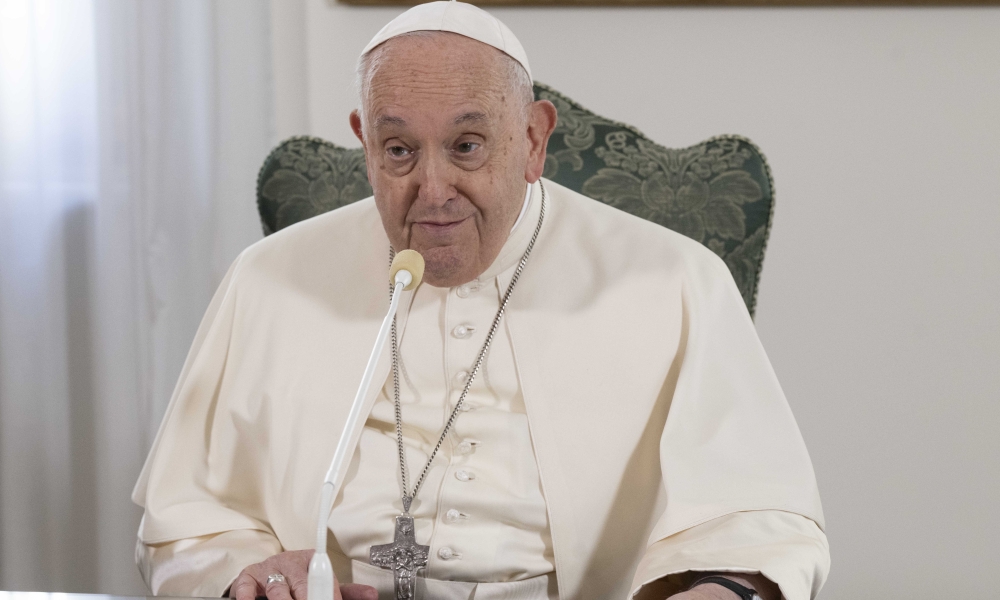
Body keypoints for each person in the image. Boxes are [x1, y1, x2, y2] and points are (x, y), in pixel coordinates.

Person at [132, 3, 829, 600]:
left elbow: (755, 518)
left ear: (531, 140)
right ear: (363, 143)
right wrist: (249, 575)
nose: (432, 189)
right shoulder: (269, 279)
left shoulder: (673, 279)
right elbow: (189, 519)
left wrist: (718, 588)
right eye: (399, 150)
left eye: (466, 146)